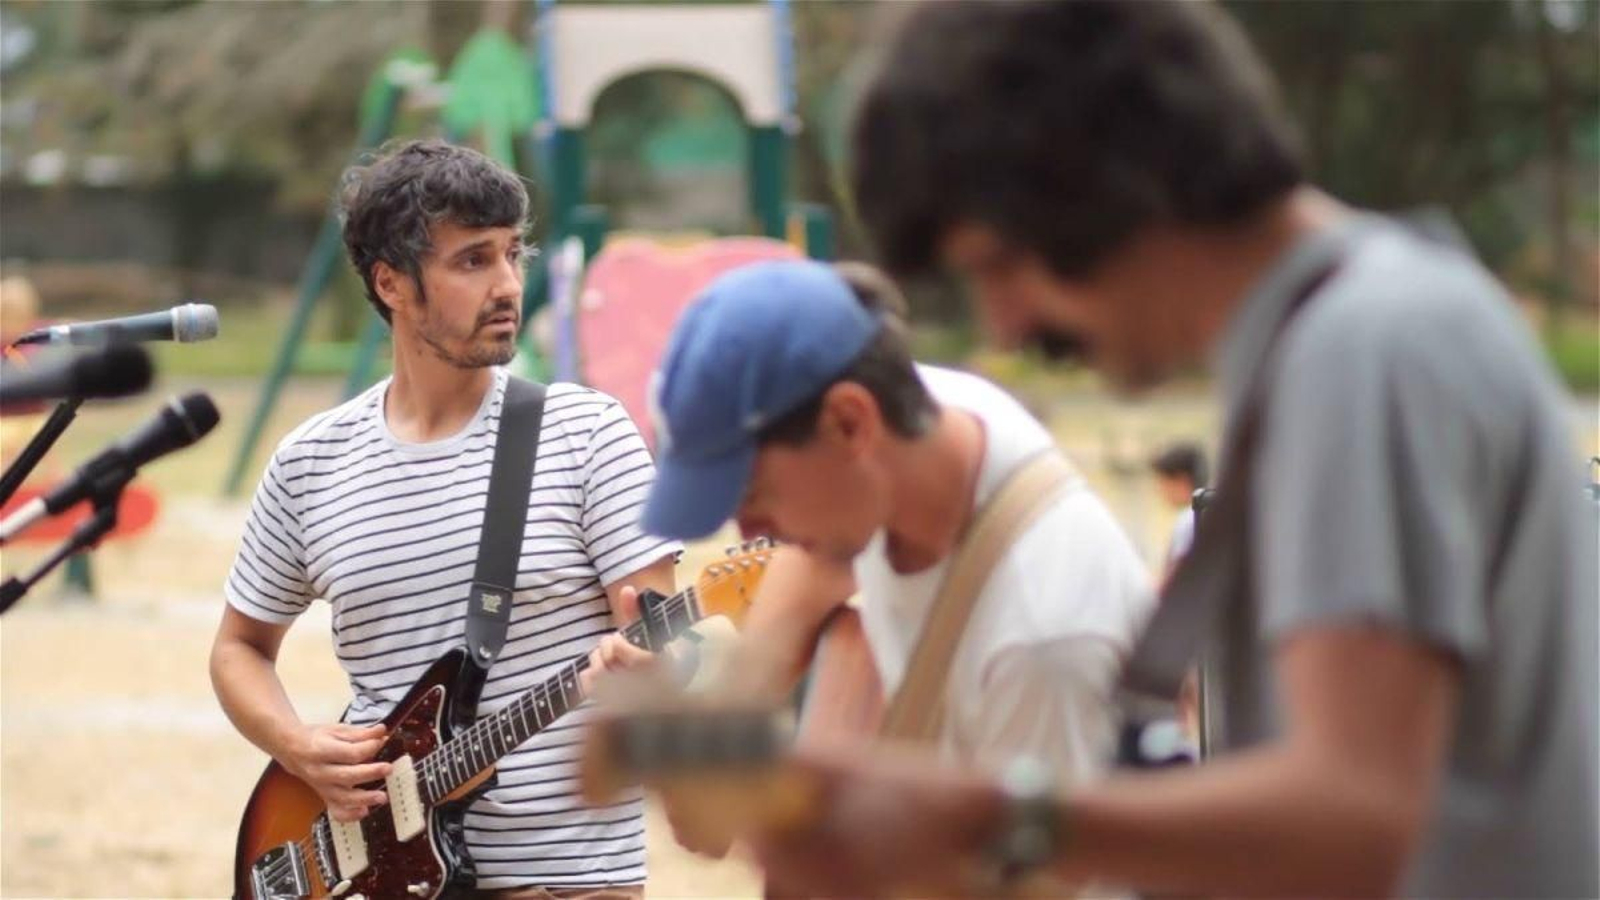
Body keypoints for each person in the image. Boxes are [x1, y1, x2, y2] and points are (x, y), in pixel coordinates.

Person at [746, 2, 1599, 898]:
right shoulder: (1358, 331)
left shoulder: (1363, 351)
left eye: (1001, 263)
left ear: (1098, 186)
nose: (1006, 321)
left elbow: (1358, 819)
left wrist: (977, 817)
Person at [209, 139, 679, 899]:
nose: (507, 286)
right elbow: (238, 648)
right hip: (366, 875)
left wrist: (659, 669)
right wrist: (298, 747)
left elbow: (662, 638)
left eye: (511, 255)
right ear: (391, 283)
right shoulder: (311, 461)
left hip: (566, 881)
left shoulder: (586, 434)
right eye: (472, 261)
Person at [638, 259, 1153, 796]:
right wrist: (723, 739)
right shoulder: (927, 417)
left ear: (849, 423)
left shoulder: (1046, 639)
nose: (750, 534)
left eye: (752, 496)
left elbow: (1030, 874)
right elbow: (813, 564)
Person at [1149, 441, 1207, 571]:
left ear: (1182, 480)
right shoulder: (1208, 514)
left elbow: (1178, 575)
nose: (1159, 490)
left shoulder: (1188, 520)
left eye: (1163, 482)